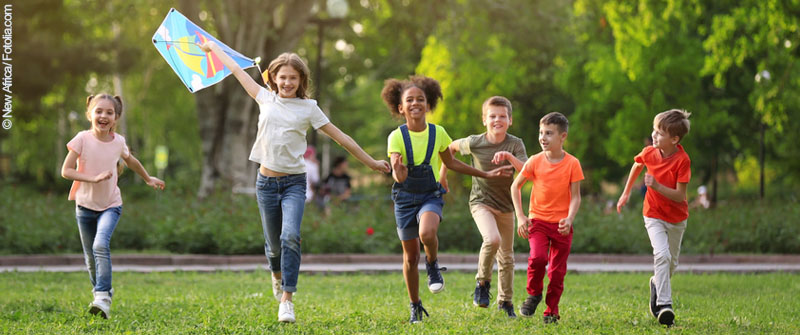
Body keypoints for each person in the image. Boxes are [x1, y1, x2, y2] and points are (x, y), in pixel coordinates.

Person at [200, 41, 390, 323]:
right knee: (273, 246)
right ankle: (277, 275)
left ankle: (287, 300)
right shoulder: (264, 97)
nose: (287, 82)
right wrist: (212, 49)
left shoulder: (309, 108)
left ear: (301, 80)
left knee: (290, 236)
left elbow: (341, 138)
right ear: (274, 78)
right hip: (266, 183)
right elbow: (236, 70)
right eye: (283, 77)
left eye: (293, 78)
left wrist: (371, 163)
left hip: (294, 184)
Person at [382, 75, 513, 324]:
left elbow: (451, 162)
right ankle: (415, 305)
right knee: (410, 257)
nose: (415, 103)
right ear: (401, 107)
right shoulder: (396, 137)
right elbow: (399, 177)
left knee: (427, 233)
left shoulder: (438, 133)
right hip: (404, 197)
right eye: (409, 100)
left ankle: (432, 263)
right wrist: (398, 169)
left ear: (428, 104)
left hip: (430, 195)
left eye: (420, 99)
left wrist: (485, 173)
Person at [61, 94, 165, 319]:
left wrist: (148, 178)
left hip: (111, 205)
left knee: (100, 245)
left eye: (109, 112)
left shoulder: (118, 142)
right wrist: (93, 178)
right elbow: (66, 171)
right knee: (90, 259)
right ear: (89, 114)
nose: (103, 116)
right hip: (84, 207)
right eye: (99, 111)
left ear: (116, 118)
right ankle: (102, 291)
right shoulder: (82, 139)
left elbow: (131, 161)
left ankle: (102, 298)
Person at [438, 96, 527, 317]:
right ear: (484, 120)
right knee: (492, 239)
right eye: (492, 116)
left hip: (506, 205)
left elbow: (527, 171)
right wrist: (443, 176)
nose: (497, 120)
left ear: (510, 120)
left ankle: (505, 302)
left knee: (507, 257)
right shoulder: (475, 142)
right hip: (481, 202)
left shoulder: (515, 144)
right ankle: (482, 283)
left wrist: (509, 156)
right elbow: (449, 148)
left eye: (502, 116)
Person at [616, 109, 692, 327]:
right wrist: (626, 193)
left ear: (674, 139)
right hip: (653, 214)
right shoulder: (650, 152)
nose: (654, 135)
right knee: (662, 255)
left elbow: (680, 196)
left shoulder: (683, 161)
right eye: (654, 130)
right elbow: (637, 165)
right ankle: (665, 305)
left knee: (671, 263)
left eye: (659, 133)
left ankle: (656, 283)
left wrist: (657, 186)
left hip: (677, 218)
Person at [511, 112, 583, 324]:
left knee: (557, 272)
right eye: (541, 132)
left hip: (562, 225)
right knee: (538, 258)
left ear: (563, 136)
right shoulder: (535, 161)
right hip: (538, 221)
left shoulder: (572, 163)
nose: (543, 137)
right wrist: (520, 216)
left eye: (549, 133)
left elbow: (576, 197)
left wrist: (570, 218)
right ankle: (533, 295)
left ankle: (551, 310)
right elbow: (515, 187)